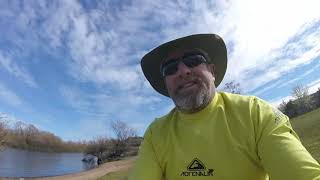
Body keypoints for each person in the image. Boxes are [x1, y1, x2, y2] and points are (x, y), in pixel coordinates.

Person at [128, 34, 320, 180]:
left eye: (193, 60)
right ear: (166, 83)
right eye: (170, 68)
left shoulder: (254, 113)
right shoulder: (156, 134)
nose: (183, 71)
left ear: (212, 71)